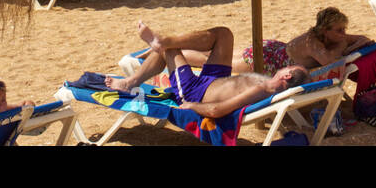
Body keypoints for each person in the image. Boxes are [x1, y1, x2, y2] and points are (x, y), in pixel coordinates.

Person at [105, 22, 308, 118]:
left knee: (168, 51)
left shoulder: (263, 89)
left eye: (287, 67)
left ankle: (130, 82)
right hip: (216, 79)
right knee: (224, 34)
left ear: (287, 74)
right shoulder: (268, 86)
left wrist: (192, 107)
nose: (284, 66)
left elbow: (216, 110)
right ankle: (163, 40)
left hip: (195, 92)